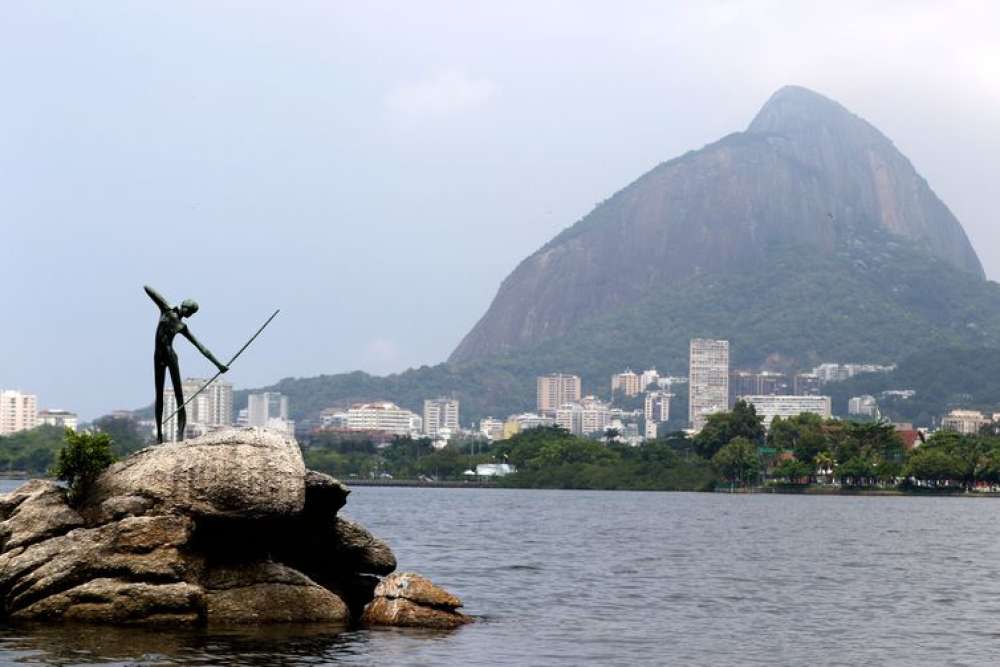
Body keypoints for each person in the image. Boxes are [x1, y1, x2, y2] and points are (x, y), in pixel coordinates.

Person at [144, 285, 228, 443]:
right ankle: (160, 437)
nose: (190, 315)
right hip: (158, 356)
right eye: (191, 312)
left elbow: (201, 347)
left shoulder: (182, 326)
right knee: (159, 396)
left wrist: (219, 365)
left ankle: (180, 436)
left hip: (170, 356)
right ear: (186, 309)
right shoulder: (166, 310)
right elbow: (148, 289)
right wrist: (164, 302)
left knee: (179, 396)